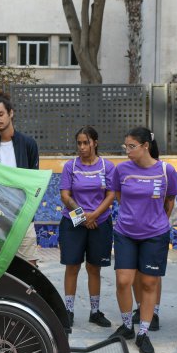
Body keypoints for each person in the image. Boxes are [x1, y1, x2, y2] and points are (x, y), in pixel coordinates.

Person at [109, 127, 177, 353]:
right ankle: (127, 325)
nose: (127, 151)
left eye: (131, 146)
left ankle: (143, 332)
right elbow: (118, 196)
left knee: (149, 283)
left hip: (155, 235)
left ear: (146, 146)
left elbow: (169, 201)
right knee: (122, 280)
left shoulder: (166, 170)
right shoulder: (121, 170)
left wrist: (155, 222)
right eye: (125, 146)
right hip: (125, 232)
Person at [58, 126, 115, 328]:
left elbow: (111, 194)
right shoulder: (70, 166)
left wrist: (95, 215)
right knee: (72, 266)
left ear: (95, 143)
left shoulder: (107, 167)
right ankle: (69, 310)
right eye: (79, 143)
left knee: (94, 267)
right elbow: (65, 195)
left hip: (99, 222)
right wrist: (82, 216)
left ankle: (95, 311)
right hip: (74, 221)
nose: (82, 147)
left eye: (86, 142)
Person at [0, 90, 40, 265]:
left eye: (0, 114)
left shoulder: (28, 144)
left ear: (11, 113)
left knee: (30, 267)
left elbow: (34, 181)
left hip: (23, 217)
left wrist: (28, 213)